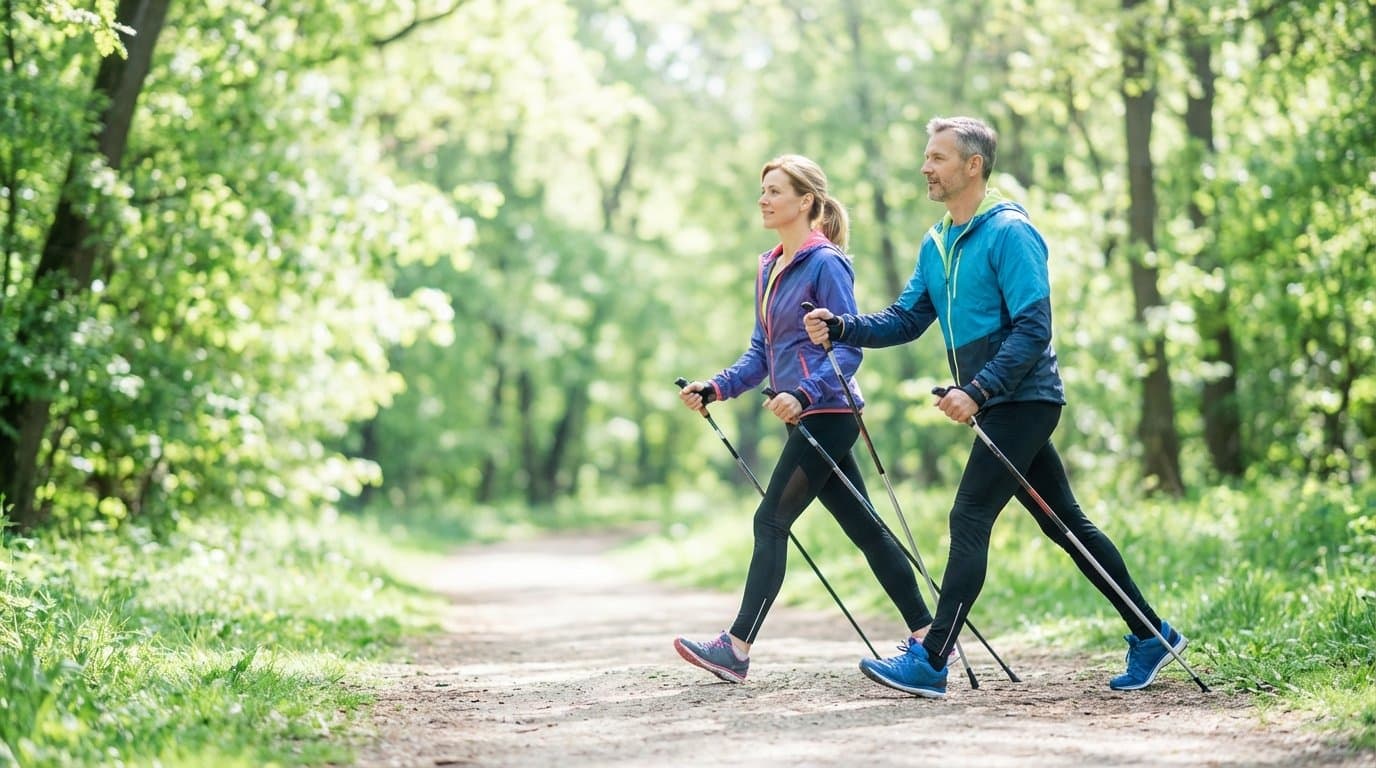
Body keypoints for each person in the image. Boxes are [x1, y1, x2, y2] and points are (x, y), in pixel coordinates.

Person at [804, 116, 1189, 699]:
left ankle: (932, 660)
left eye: (937, 157)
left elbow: (1034, 327)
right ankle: (1151, 633)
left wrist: (977, 390)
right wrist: (844, 327)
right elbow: (907, 319)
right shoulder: (937, 244)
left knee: (968, 517)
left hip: (1025, 398)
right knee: (1067, 524)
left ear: (972, 165)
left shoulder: (1011, 232)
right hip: (998, 403)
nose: (925, 168)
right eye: (927, 157)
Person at [674, 154, 933, 683]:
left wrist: (804, 393)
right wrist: (716, 387)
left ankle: (737, 647)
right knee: (867, 529)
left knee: (770, 520)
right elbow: (760, 354)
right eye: (762, 190)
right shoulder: (768, 266)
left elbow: (848, 344)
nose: (763, 199)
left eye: (774, 190)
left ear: (805, 201)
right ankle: (931, 639)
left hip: (830, 411)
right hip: (805, 414)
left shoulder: (826, 263)